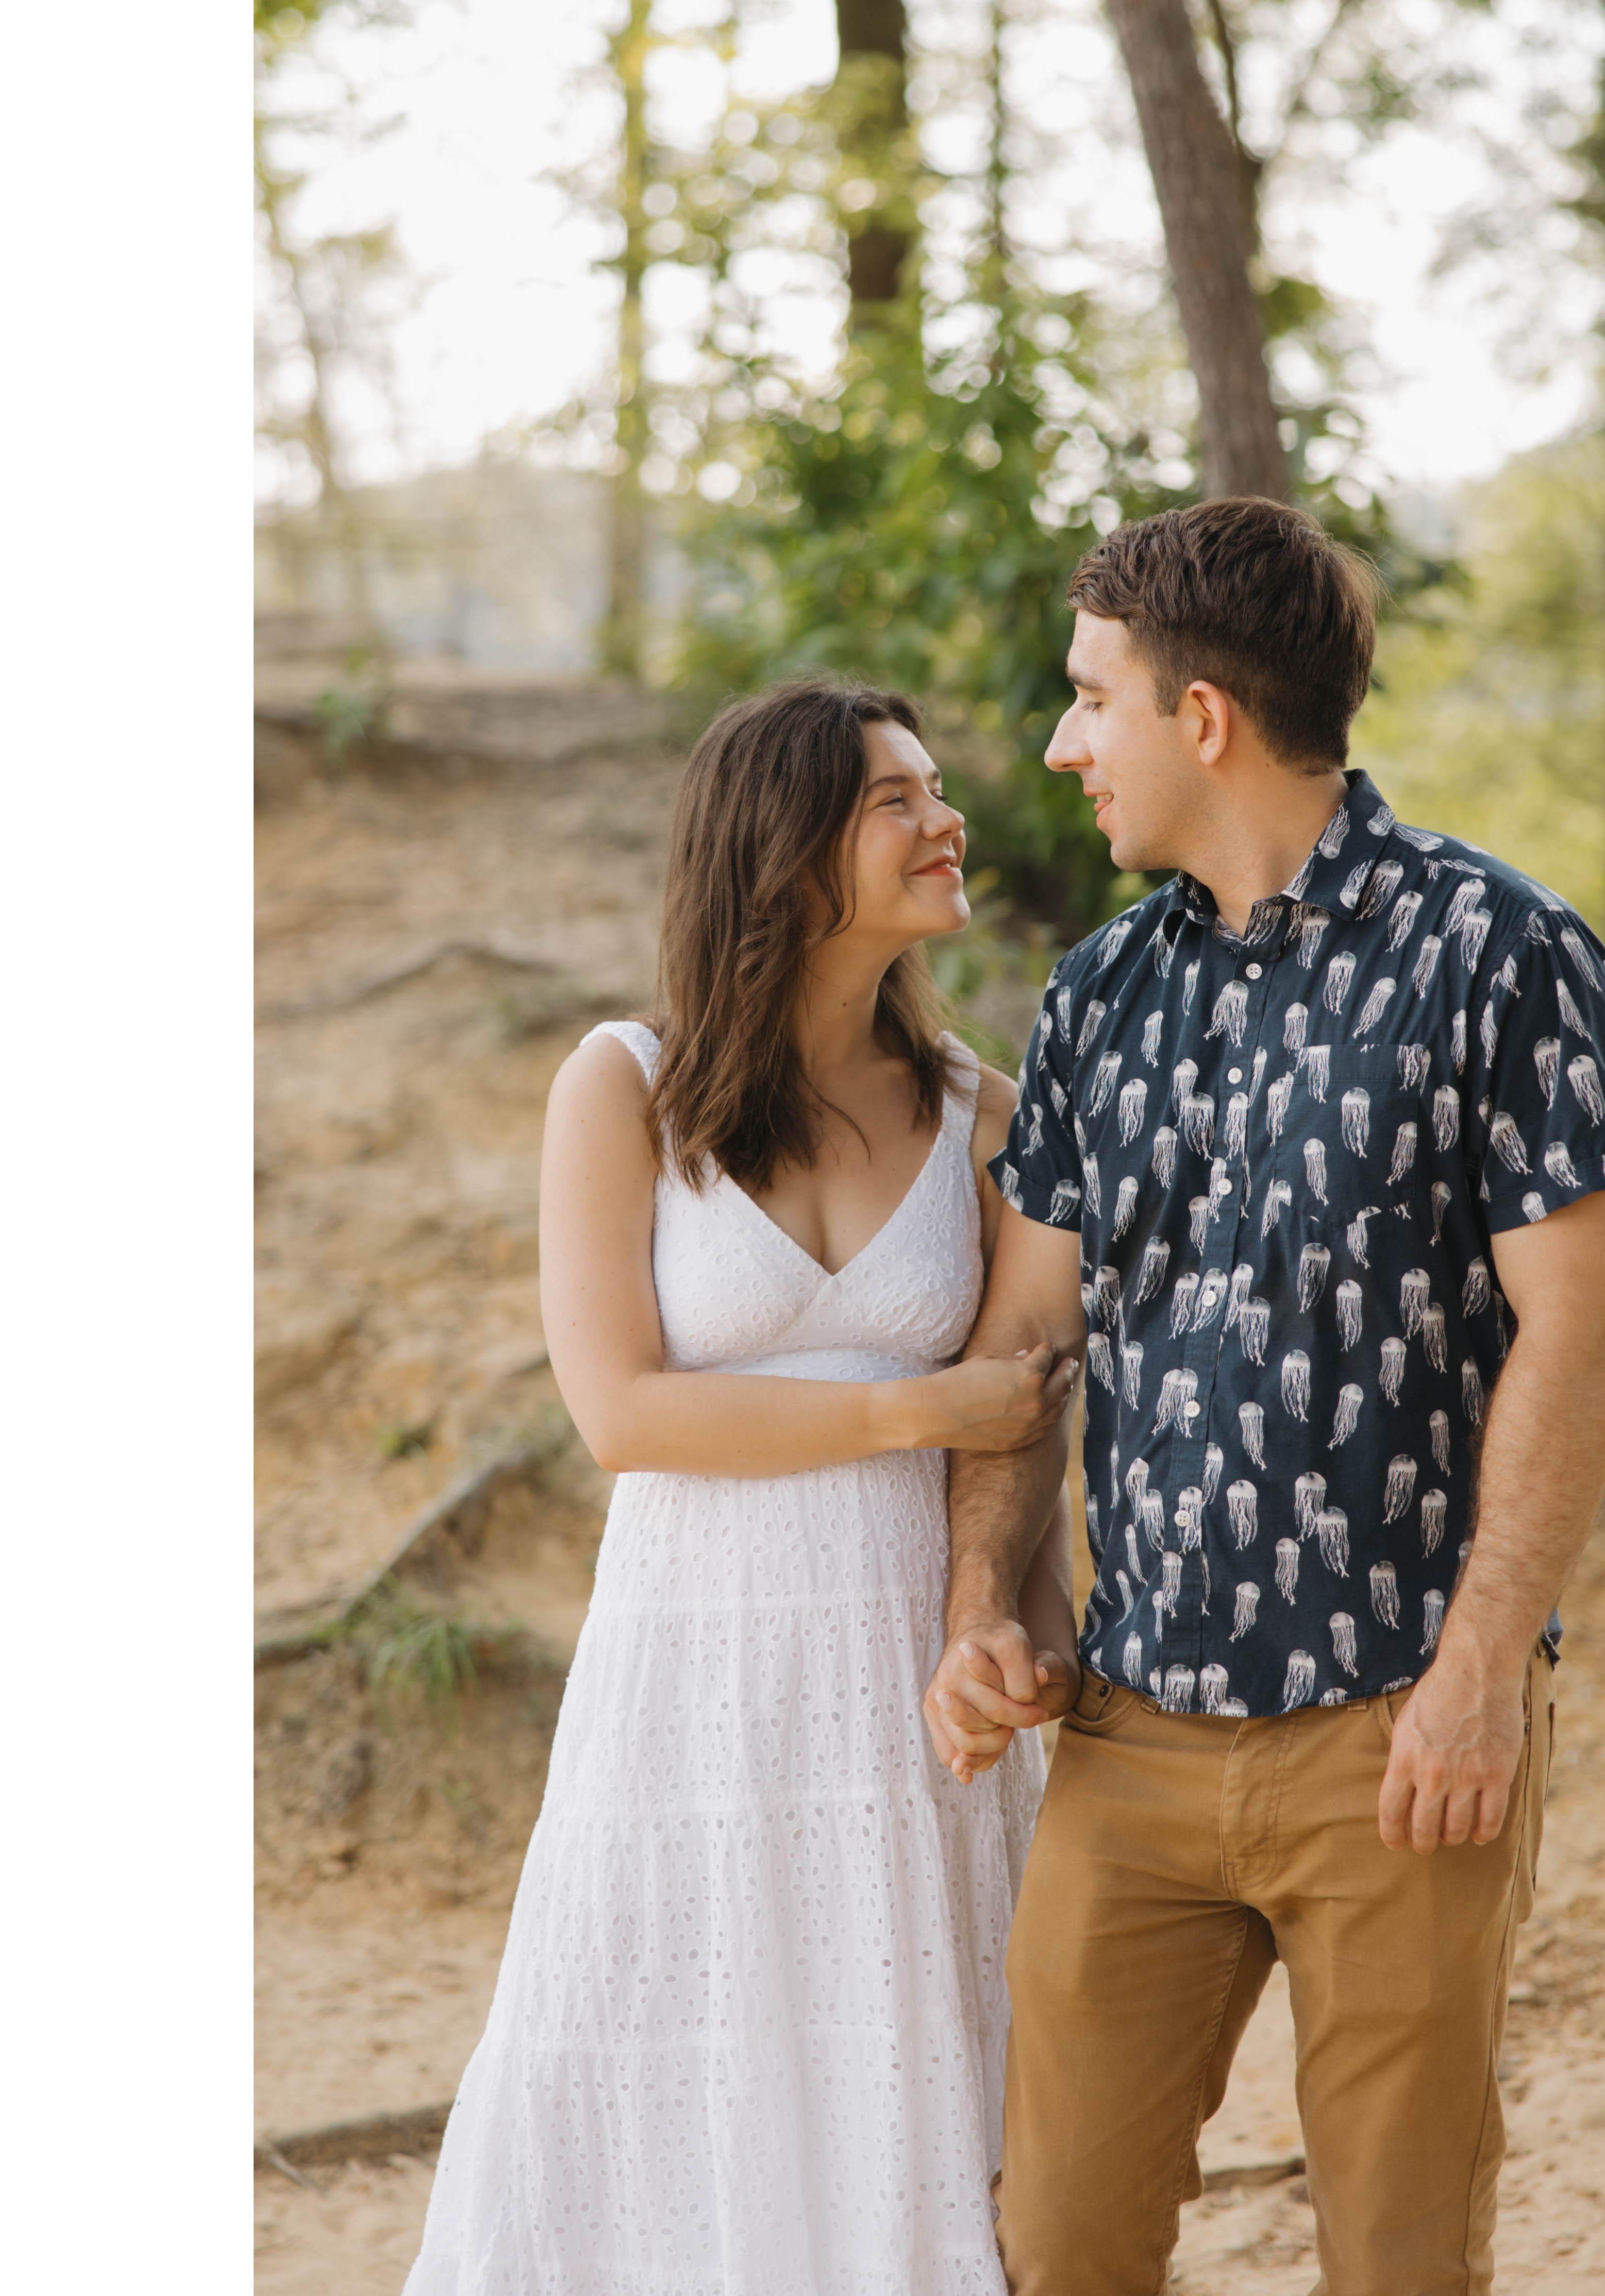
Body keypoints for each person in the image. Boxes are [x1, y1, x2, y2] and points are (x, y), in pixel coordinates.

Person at [923, 498, 1605, 2295]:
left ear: (1204, 720)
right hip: (1132, 1736)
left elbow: (1583, 1331)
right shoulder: (1097, 999)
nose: (1062, 741)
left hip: (1403, 1739)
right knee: (1058, 2238)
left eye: (1093, 698)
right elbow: (1029, 1352)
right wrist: (974, 1608)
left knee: (1402, 2256)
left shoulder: (1508, 955)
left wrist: (1482, 1671)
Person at [405, 679, 1081, 2294]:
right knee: (652, 2059)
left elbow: (1027, 1421)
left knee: (912, 2088)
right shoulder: (623, 1088)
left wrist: (1013, 1615)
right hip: (693, 1670)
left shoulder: (979, 1111)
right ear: (785, 853)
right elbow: (624, 1413)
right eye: (897, 801)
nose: (946, 821)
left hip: (901, 1684)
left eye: (937, 792)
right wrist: (920, 1401)